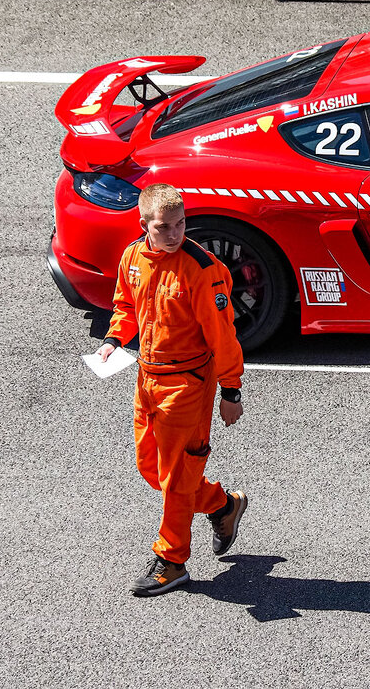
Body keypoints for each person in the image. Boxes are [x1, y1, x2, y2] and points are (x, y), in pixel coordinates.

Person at [95, 183, 248, 597]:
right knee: (153, 472)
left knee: (178, 478)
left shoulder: (202, 269)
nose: (175, 234)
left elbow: (223, 336)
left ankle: (172, 560)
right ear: (144, 224)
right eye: (165, 227)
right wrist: (113, 339)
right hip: (146, 379)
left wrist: (230, 391)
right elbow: (127, 306)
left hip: (187, 385)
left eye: (181, 224)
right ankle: (222, 505)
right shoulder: (132, 257)